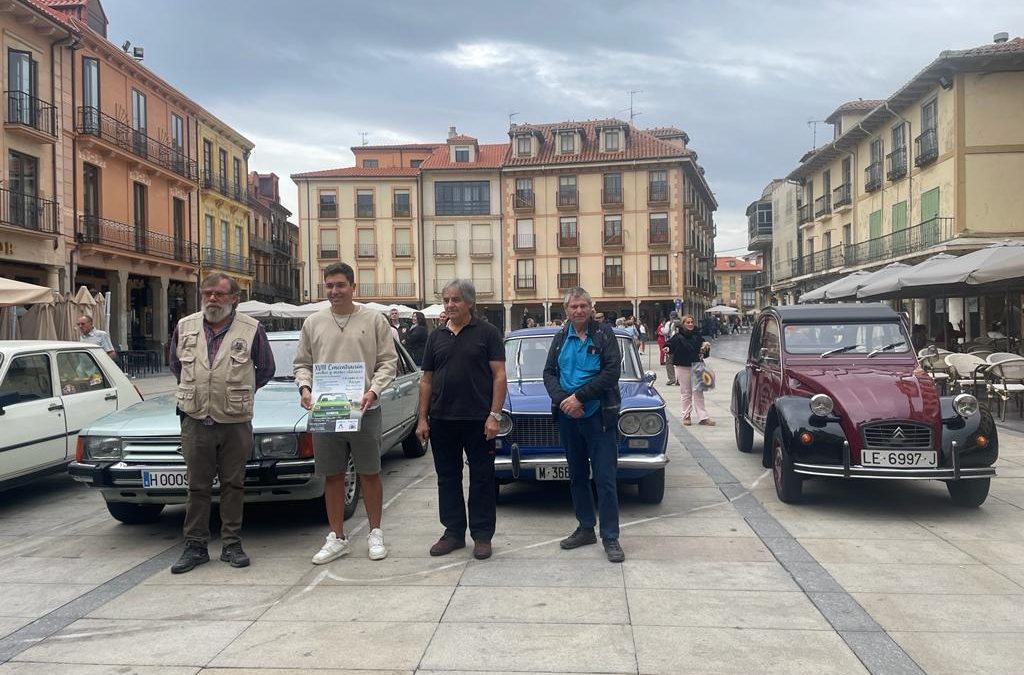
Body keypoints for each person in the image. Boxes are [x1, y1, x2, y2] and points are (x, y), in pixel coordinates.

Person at [168, 273, 275, 574]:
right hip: (195, 417)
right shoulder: (184, 326)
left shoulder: (252, 329)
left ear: (233, 299)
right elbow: (175, 364)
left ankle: (231, 544)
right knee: (197, 486)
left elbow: (265, 368)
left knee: (233, 484)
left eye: (219, 294)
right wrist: (202, 389)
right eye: (207, 293)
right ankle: (195, 545)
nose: (212, 299)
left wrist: (235, 391)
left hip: (235, 420)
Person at [294, 262, 397, 564]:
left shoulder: (374, 319)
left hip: (366, 408)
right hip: (327, 410)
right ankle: (337, 536)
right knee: (333, 474)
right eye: (329, 285)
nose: (334, 291)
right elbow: (302, 363)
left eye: (340, 285)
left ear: (353, 287)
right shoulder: (313, 322)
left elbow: (387, 362)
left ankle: (375, 532)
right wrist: (304, 389)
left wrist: (373, 390)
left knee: (370, 472)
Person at [416, 279, 507, 560]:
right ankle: (453, 533)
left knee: (481, 478)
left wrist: (494, 416)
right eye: (446, 300)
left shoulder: (488, 333)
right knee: (447, 478)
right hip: (442, 419)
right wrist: (422, 419)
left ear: (470, 302)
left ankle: (482, 536)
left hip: (479, 420)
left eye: (455, 300)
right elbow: (426, 381)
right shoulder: (436, 337)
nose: (450, 305)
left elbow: (499, 376)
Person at [543, 287, 625, 563]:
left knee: (604, 478)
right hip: (568, 418)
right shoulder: (559, 338)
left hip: (598, 416)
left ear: (591, 308)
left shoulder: (604, 334)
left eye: (583, 306)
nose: (578, 311)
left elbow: (612, 372)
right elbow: (549, 373)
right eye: (573, 306)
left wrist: (579, 397)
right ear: (565, 310)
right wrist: (564, 400)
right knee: (577, 475)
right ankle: (585, 528)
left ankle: (611, 537)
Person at [664, 315, 713, 426]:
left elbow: (704, 351)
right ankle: (686, 416)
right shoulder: (678, 336)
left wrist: (705, 347)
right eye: (688, 322)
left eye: (692, 322)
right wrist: (667, 348)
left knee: (698, 392)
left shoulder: (698, 335)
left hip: (697, 365)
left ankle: (703, 417)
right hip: (682, 366)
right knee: (686, 392)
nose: (690, 324)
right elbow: (670, 345)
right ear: (683, 324)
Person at [659, 313, 677, 385]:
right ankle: (679, 379)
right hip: (680, 344)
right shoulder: (682, 322)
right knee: (679, 363)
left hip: (671, 344)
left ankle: (672, 379)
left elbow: (665, 332)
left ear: (670, 316)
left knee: (669, 362)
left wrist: (662, 329)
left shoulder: (668, 323)